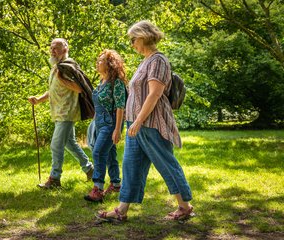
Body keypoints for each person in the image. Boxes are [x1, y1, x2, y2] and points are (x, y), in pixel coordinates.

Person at [97, 20, 193, 221]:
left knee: (166, 164)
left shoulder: (158, 60)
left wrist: (139, 121)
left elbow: (154, 94)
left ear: (143, 36)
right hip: (135, 125)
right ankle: (121, 211)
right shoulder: (145, 61)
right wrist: (133, 123)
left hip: (150, 124)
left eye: (133, 39)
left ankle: (184, 206)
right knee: (131, 167)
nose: (132, 44)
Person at [28, 38, 94, 189]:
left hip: (67, 112)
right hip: (59, 112)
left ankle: (55, 179)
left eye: (56, 48)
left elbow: (79, 88)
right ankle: (90, 169)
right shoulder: (56, 67)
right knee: (70, 143)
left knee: (56, 145)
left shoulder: (67, 67)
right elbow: (53, 90)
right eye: (51, 48)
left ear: (65, 49)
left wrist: (62, 80)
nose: (52, 50)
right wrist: (39, 99)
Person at [84, 49, 127, 202]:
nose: (97, 63)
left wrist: (117, 129)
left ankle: (98, 188)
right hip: (100, 123)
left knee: (98, 152)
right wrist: (93, 125)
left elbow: (120, 107)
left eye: (101, 60)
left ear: (109, 64)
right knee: (109, 154)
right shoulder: (102, 82)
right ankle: (116, 184)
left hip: (111, 123)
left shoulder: (117, 83)